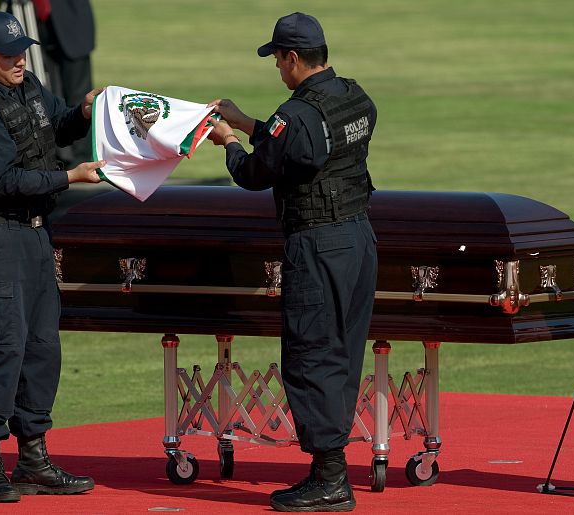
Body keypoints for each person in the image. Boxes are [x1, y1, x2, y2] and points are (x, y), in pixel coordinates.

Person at [207, 12, 377, 512]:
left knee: (311, 354)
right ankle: (331, 468)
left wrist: (231, 142)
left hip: (317, 245)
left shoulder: (297, 115)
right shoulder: (354, 96)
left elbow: (258, 172)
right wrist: (247, 121)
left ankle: (329, 478)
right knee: (342, 352)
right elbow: (300, 151)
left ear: (294, 58)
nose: (278, 69)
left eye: (278, 59)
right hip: (358, 239)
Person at [0, 11, 105, 503]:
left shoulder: (27, 85)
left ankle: (33, 461)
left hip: (33, 238)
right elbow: (4, 181)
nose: (19, 61)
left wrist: (84, 111)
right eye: (8, 55)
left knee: (40, 349)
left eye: (22, 52)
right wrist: (70, 178)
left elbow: (54, 123)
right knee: (0, 349)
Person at [30, 0, 96, 168]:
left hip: (71, 22)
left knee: (79, 94)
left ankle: (82, 158)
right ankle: (55, 155)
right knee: (44, 93)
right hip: (31, 18)